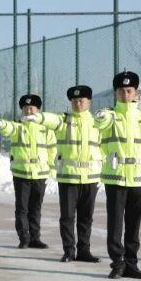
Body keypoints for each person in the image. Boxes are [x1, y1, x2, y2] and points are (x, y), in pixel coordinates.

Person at [93, 71, 141, 279]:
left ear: (135, 92)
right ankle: (117, 264)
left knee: (134, 225)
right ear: (115, 93)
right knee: (115, 224)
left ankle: (131, 264)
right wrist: (102, 116)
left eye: (129, 90)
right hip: (116, 178)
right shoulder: (110, 116)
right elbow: (99, 123)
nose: (125, 94)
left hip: (139, 179)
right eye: (121, 90)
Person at [40, 85, 103, 263]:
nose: (77, 103)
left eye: (81, 100)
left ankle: (84, 251)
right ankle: (69, 251)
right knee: (67, 217)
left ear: (89, 102)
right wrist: (38, 116)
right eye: (74, 100)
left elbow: (104, 147)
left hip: (90, 178)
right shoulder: (64, 121)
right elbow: (51, 119)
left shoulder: (97, 123)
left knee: (86, 218)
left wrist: (102, 170)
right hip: (68, 177)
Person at [0, 93, 57, 250]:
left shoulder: (46, 129)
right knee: (22, 208)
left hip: (40, 174)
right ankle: (24, 238)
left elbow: (52, 150)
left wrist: (52, 168)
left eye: (31, 108)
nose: (28, 111)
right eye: (25, 108)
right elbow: (9, 128)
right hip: (21, 174)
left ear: (38, 110)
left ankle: (35, 238)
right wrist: (2, 125)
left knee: (36, 208)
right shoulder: (18, 126)